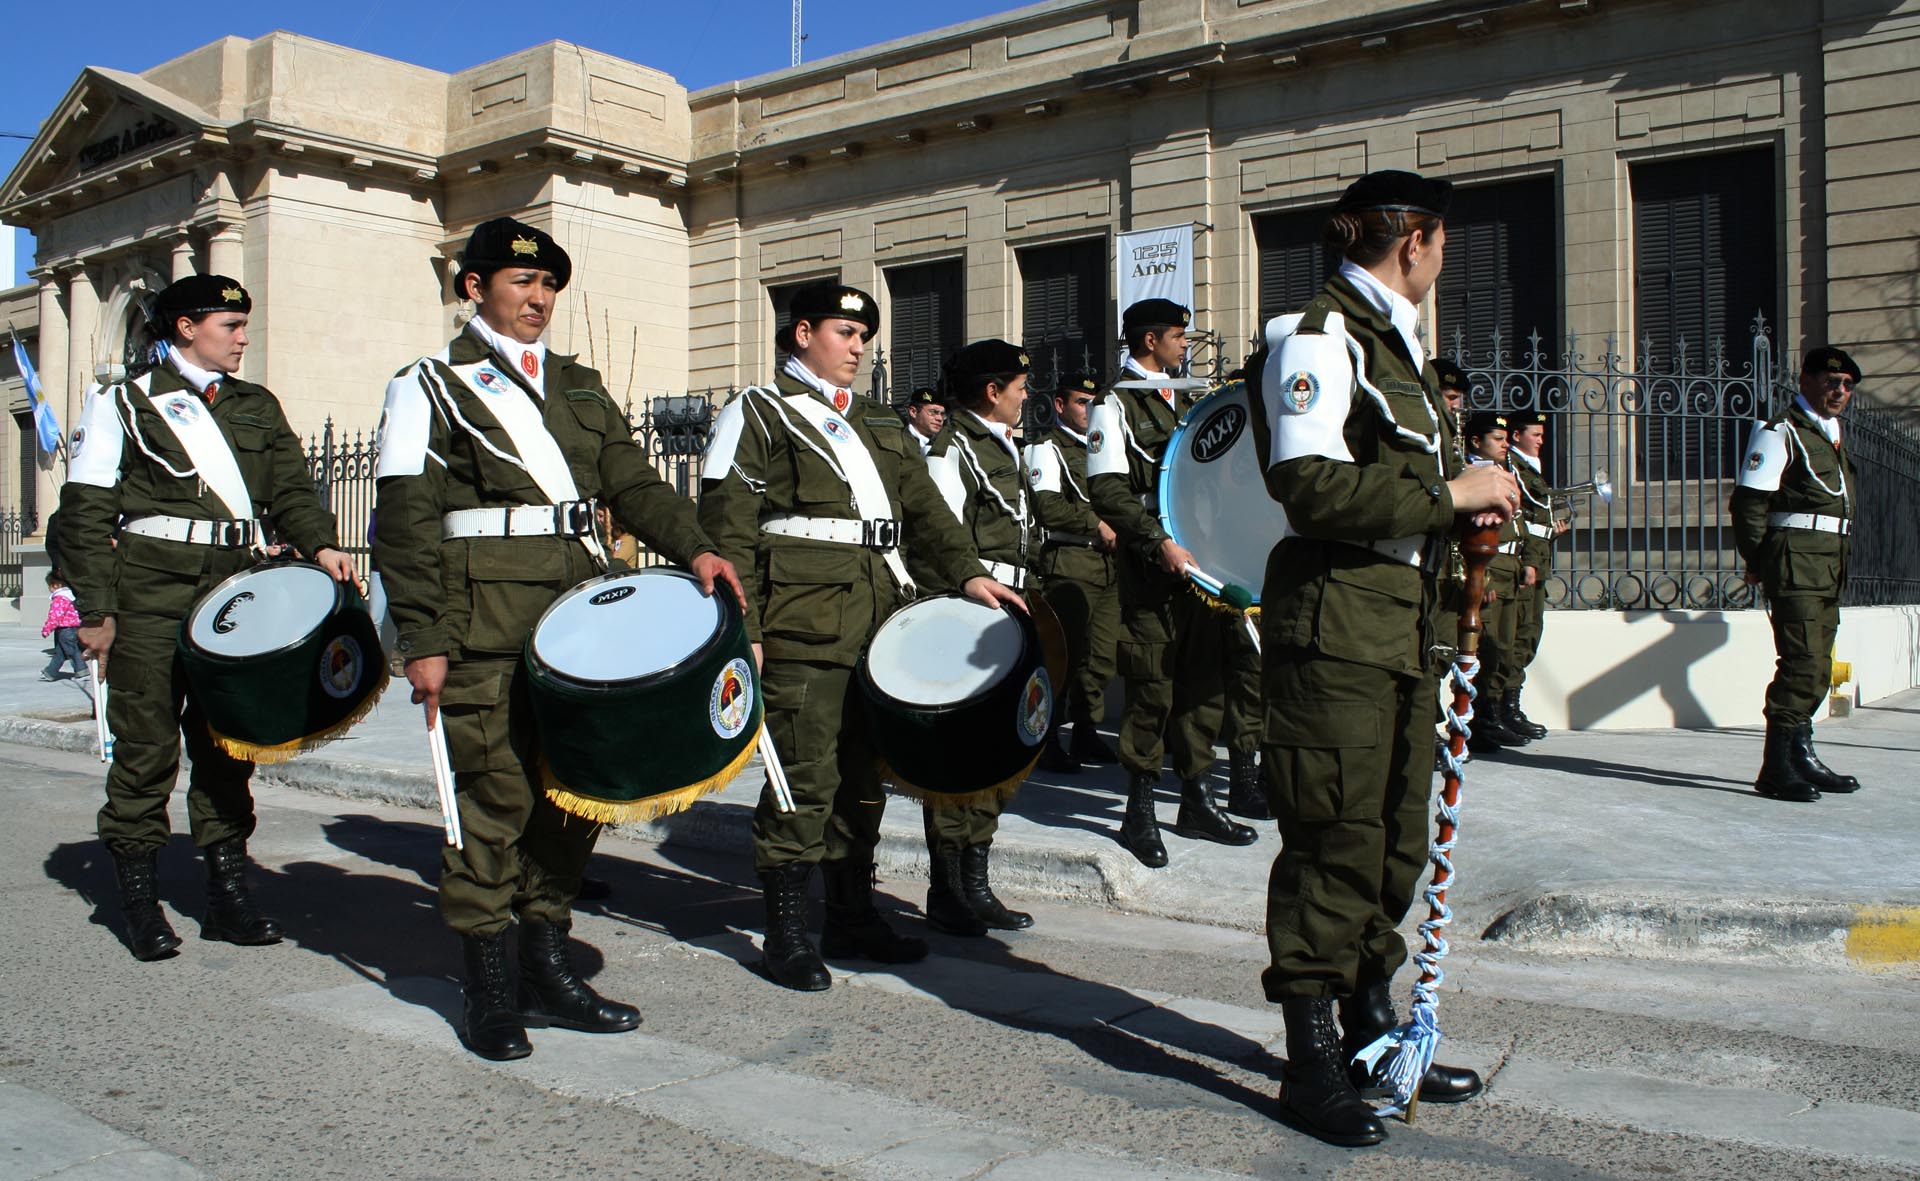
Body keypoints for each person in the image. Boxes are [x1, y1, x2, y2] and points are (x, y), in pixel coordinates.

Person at [373, 216, 744, 1061]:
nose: (539, 299)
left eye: (548, 286)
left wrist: (696, 545)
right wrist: (423, 637)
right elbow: (404, 517)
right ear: (475, 288)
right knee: (496, 803)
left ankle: (546, 962)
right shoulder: (428, 383)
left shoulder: (578, 385)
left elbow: (633, 481)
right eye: (521, 283)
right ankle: (489, 987)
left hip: (580, 624)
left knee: (573, 796)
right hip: (483, 628)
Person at [1249, 170, 1513, 1147]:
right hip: (1338, 619)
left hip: (1402, 620)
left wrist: (1464, 505)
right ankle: (1310, 1058)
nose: (1446, 259)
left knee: (1397, 836)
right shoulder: (1319, 339)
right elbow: (1310, 487)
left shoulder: (1393, 349)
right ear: (1418, 240)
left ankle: (1369, 1030)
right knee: (1336, 833)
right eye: (1444, 242)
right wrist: (1450, 493)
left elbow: (1406, 489)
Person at [699, 282, 1019, 992]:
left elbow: (925, 510)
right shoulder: (759, 413)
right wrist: (741, 630)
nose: (858, 345)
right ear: (803, 332)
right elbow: (729, 529)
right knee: (803, 778)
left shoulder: (877, 422)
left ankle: (850, 913)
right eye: (845, 331)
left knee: (862, 779)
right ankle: (785, 930)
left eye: (864, 334)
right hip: (803, 625)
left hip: (880, 620)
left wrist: (967, 574)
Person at [58, 273, 356, 963]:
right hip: (149, 587)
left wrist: (322, 541)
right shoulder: (126, 402)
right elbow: (86, 510)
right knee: (146, 748)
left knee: (227, 744)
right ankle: (137, 901)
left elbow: (290, 486)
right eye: (230, 325)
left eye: (244, 325)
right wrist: (95, 609)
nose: (243, 337)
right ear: (186, 327)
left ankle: (228, 895)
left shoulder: (255, 405)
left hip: (234, 588)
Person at [1088, 298, 1255, 868]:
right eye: (1178, 337)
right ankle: (1138, 811)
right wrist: (1156, 542)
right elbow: (1107, 490)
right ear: (1150, 340)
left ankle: (1196, 797)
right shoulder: (1114, 405)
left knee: (1202, 683)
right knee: (1152, 687)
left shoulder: (1190, 398)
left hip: (1203, 567)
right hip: (1154, 568)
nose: (1186, 345)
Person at [914, 339, 1041, 936]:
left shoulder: (999, 446)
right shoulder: (952, 449)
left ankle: (977, 880)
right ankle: (949, 890)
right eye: (1019, 387)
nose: (1026, 396)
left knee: (999, 750)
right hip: (970, 615)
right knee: (960, 758)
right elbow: (940, 538)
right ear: (993, 391)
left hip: (1008, 607)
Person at [1729, 345, 1864, 802]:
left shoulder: (1831, 433)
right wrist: (1759, 562)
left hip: (1828, 564)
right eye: (1831, 382)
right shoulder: (1781, 431)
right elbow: (1749, 503)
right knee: (1803, 664)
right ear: (1805, 381)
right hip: (1795, 564)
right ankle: (1776, 767)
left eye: (1846, 385)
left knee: (1820, 665)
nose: (1839, 391)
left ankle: (1801, 755)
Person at [1025, 369, 1121, 772]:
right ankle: (1046, 739)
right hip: (1071, 562)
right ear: (1060, 405)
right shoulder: (1048, 448)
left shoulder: (1107, 448)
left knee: (1100, 659)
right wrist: (1094, 524)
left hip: (1108, 566)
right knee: (1062, 658)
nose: (1089, 410)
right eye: (1082, 402)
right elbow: (1048, 507)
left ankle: (1085, 731)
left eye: (1094, 402)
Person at [1461, 411, 1531, 752]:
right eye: (1499, 440)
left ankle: (1492, 714)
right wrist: (1482, 577)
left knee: (1506, 646)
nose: (1506, 445)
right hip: (1490, 568)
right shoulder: (1469, 474)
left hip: (1509, 568)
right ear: (1477, 442)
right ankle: (1481, 718)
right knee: (1487, 647)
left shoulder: (1505, 471)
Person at [1505, 410, 1569, 740]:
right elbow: (1520, 521)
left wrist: (1552, 533)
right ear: (1517, 436)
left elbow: (1535, 524)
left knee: (1528, 636)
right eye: (1536, 434)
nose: (1542, 440)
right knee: (1516, 638)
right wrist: (1529, 559)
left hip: (1537, 562)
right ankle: (1504, 710)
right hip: (1523, 566)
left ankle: (1508, 707)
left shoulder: (1531, 470)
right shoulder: (1514, 468)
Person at [41, 572, 88, 680]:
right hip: (76, 627)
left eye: (50, 586)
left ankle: (82, 670)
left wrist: (47, 629)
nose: (49, 589)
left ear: (56, 585)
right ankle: (50, 672)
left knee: (72, 650)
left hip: (65, 629)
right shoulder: (72, 596)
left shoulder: (59, 599)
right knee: (60, 652)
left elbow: (55, 616)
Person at [903, 386, 946, 455]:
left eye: (942, 414)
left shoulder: (944, 443)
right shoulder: (900, 441)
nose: (939, 418)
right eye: (933, 412)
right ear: (913, 412)